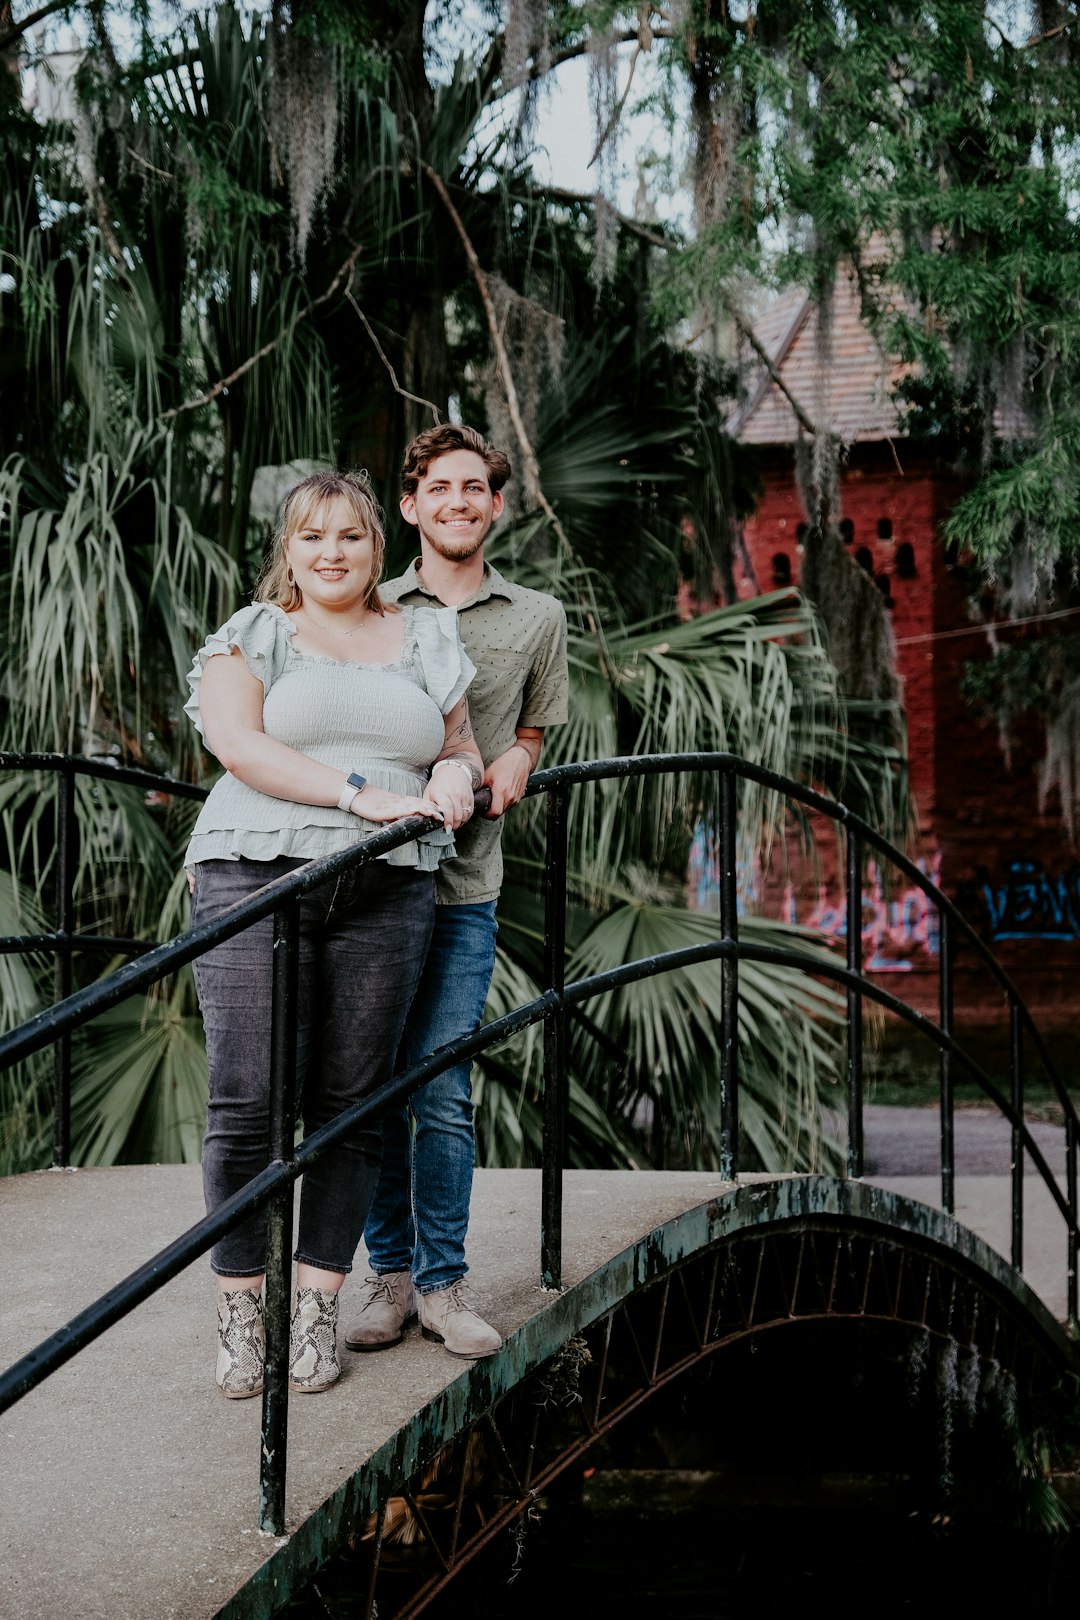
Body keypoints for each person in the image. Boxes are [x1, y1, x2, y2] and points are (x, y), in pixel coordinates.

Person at [184, 469, 483, 1398]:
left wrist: (454, 781)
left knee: (354, 1104)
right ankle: (243, 1315)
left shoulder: (427, 634)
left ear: (375, 546)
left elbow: (458, 744)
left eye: (349, 536)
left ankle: (316, 1308)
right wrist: (362, 795)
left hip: (388, 885)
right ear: (290, 549)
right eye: (312, 536)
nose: (331, 553)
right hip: (253, 875)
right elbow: (241, 747)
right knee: (246, 1098)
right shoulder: (256, 632)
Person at [347, 425, 568, 1359]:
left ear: (496, 504)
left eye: (474, 488)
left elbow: (535, 730)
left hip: (466, 886)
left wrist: (516, 758)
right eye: (439, 488)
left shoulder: (536, 617)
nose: (458, 502)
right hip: (372, 884)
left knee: (441, 1084)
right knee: (372, 1089)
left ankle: (441, 1285)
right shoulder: (368, 605)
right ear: (410, 505)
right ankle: (385, 1280)